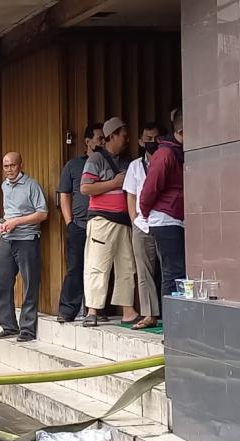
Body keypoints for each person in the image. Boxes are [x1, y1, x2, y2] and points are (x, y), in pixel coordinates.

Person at [80, 117, 139, 327]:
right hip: (101, 220)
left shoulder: (128, 161)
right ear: (112, 136)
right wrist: (113, 183)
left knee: (126, 266)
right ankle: (92, 310)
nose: (127, 139)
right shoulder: (95, 159)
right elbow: (85, 188)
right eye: (123, 135)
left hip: (123, 221)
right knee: (97, 265)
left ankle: (128, 311)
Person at [0, 152, 48, 343]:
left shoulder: (32, 185)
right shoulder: (4, 185)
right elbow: (10, 212)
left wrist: (17, 222)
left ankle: (27, 330)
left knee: (30, 284)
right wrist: (5, 222)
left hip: (27, 239)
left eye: (12, 165)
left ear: (20, 165)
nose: (9, 170)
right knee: (1, 284)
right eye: (6, 166)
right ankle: (8, 326)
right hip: (7, 239)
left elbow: (42, 213)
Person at [141, 108, 185, 325]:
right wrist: (147, 213)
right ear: (182, 131)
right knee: (173, 271)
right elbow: (149, 189)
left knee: (177, 270)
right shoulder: (165, 154)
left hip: (175, 217)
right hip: (165, 218)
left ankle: (177, 323)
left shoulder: (176, 151)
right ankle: (172, 325)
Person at [56, 123, 103, 323]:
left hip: (102, 224)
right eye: (99, 138)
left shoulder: (108, 162)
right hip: (79, 225)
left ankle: (98, 310)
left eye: (104, 138)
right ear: (87, 141)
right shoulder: (73, 165)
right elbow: (64, 195)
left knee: (99, 268)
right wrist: (69, 222)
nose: (102, 142)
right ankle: (67, 311)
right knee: (75, 268)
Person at [123, 122, 164, 330]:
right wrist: (134, 220)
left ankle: (170, 311)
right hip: (141, 223)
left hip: (165, 220)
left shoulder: (167, 160)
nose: (152, 143)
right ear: (140, 141)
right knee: (144, 271)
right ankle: (149, 314)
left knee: (167, 268)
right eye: (147, 139)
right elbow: (130, 194)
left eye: (156, 139)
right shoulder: (135, 166)